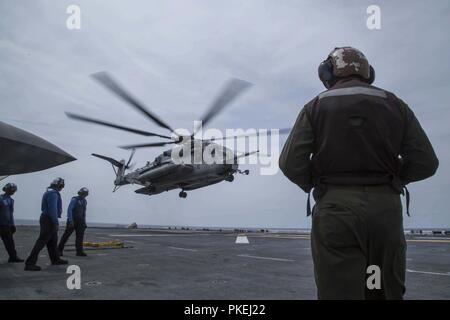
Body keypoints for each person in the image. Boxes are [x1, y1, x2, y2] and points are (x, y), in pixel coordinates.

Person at [279, 47, 439, 300]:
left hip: (336, 209)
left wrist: (319, 182)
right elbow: (426, 162)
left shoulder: (315, 106)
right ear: (368, 73)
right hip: (386, 209)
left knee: (339, 291)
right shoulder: (395, 104)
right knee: (385, 290)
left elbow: (290, 163)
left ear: (327, 72)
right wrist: (394, 178)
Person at [24, 178, 68, 271]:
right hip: (49, 220)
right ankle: (30, 263)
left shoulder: (49, 192)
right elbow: (52, 209)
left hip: (47, 218)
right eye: (62, 186)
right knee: (42, 241)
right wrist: (55, 222)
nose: (62, 188)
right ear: (59, 185)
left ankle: (55, 259)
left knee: (52, 241)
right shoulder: (53, 194)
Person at [58, 187, 89, 257]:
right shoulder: (74, 199)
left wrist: (84, 223)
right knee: (66, 236)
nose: (84, 195)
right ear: (80, 193)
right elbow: (69, 210)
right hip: (73, 220)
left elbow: (84, 213)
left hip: (80, 221)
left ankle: (79, 252)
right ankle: (59, 250)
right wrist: (71, 221)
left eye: (86, 194)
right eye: (83, 194)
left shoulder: (84, 201)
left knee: (80, 237)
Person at [0, 183, 24, 263]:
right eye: (12, 189)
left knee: (10, 242)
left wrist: (12, 224)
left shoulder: (11, 200)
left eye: (14, 190)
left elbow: (11, 213)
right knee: (9, 242)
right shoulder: (0, 198)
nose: (13, 191)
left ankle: (13, 257)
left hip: (6, 225)